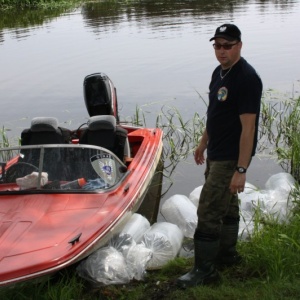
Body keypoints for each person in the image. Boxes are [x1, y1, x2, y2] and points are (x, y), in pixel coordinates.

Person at [177, 24, 263, 288]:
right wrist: (203, 143)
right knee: (227, 206)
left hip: (229, 157)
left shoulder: (247, 78)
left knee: (208, 209)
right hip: (215, 152)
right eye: (217, 45)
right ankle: (227, 255)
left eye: (227, 45)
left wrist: (241, 169)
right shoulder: (219, 72)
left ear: (239, 45)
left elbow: (248, 127)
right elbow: (215, 113)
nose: (222, 51)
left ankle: (205, 270)